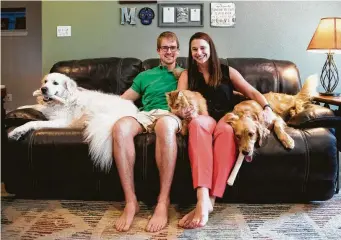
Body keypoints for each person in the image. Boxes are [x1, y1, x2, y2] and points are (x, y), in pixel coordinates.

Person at [176, 32, 274, 229]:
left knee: (228, 132)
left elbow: (252, 91)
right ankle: (202, 195)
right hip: (202, 117)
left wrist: (267, 107)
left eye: (203, 48)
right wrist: (182, 111)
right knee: (196, 125)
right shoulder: (187, 75)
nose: (199, 52)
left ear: (210, 49)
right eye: (194, 49)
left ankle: (210, 200)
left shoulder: (227, 71)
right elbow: (179, 102)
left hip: (227, 118)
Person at [112, 31, 183, 232]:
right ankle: (131, 201)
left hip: (168, 115)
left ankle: (163, 201)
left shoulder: (185, 75)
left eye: (172, 47)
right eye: (165, 48)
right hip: (145, 114)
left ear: (178, 51)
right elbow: (123, 99)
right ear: (158, 51)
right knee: (120, 127)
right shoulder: (144, 75)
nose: (169, 51)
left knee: (165, 126)